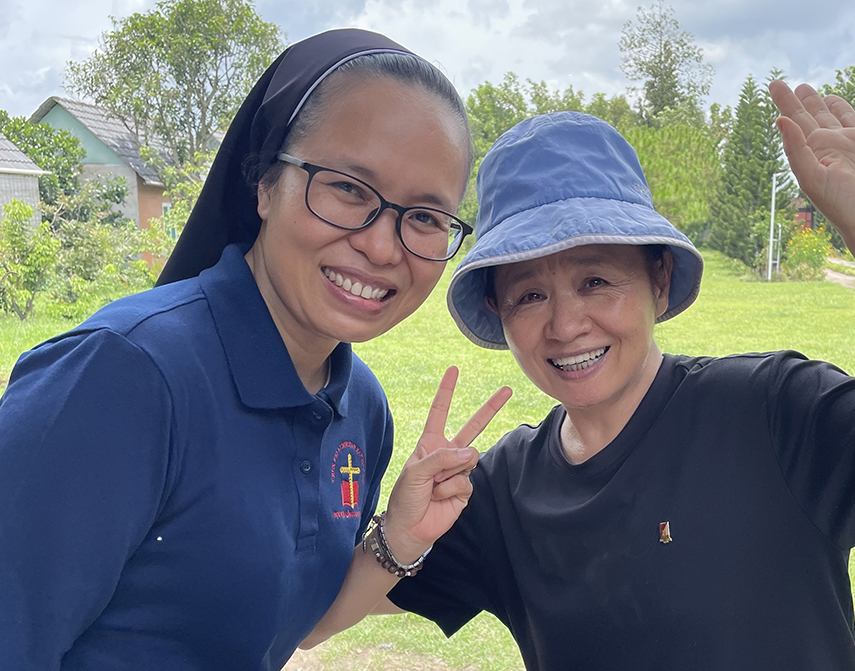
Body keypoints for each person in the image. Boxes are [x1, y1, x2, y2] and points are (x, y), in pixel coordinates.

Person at [377, 85, 855, 669]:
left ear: (660, 280)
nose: (566, 325)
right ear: (498, 312)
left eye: (596, 280)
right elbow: (322, 615)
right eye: (529, 295)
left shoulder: (770, 411)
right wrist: (396, 540)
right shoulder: (501, 491)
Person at [0, 29, 509, 670]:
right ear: (265, 185)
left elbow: (298, 626)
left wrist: (398, 539)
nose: (383, 248)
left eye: (426, 216)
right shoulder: (124, 377)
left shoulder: (360, 408)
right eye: (349, 187)